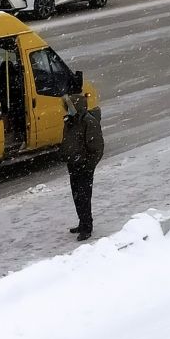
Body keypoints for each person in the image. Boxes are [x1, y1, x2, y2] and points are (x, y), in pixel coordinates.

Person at [61, 90, 104, 241]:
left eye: (69, 106)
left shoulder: (88, 122)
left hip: (84, 167)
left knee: (84, 197)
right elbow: (68, 143)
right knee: (77, 196)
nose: (67, 109)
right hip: (74, 166)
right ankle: (82, 222)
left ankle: (87, 226)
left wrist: (88, 166)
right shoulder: (71, 121)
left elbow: (97, 148)